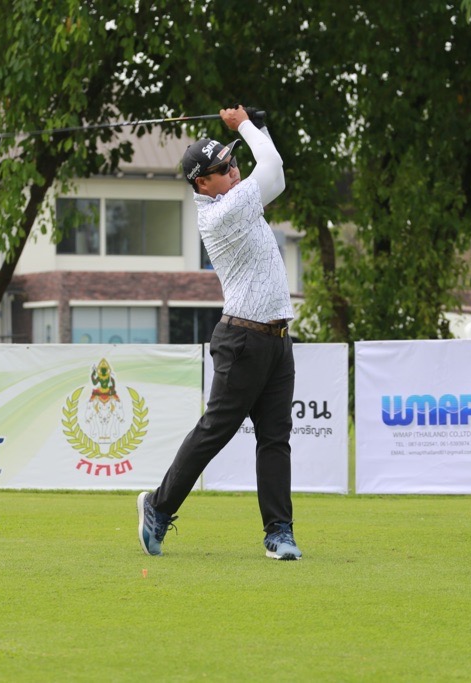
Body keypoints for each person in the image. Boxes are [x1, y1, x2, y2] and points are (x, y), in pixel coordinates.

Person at [137, 104, 301, 560]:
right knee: (214, 432)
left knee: (275, 438)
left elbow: (275, 179)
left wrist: (259, 125)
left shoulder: (237, 199)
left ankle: (279, 534)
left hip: (276, 339)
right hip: (242, 340)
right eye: (223, 169)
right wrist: (244, 124)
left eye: (233, 162)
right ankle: (158, 507)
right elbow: (272, 168)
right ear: (202, 184)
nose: (234, 170)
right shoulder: (222, 212)